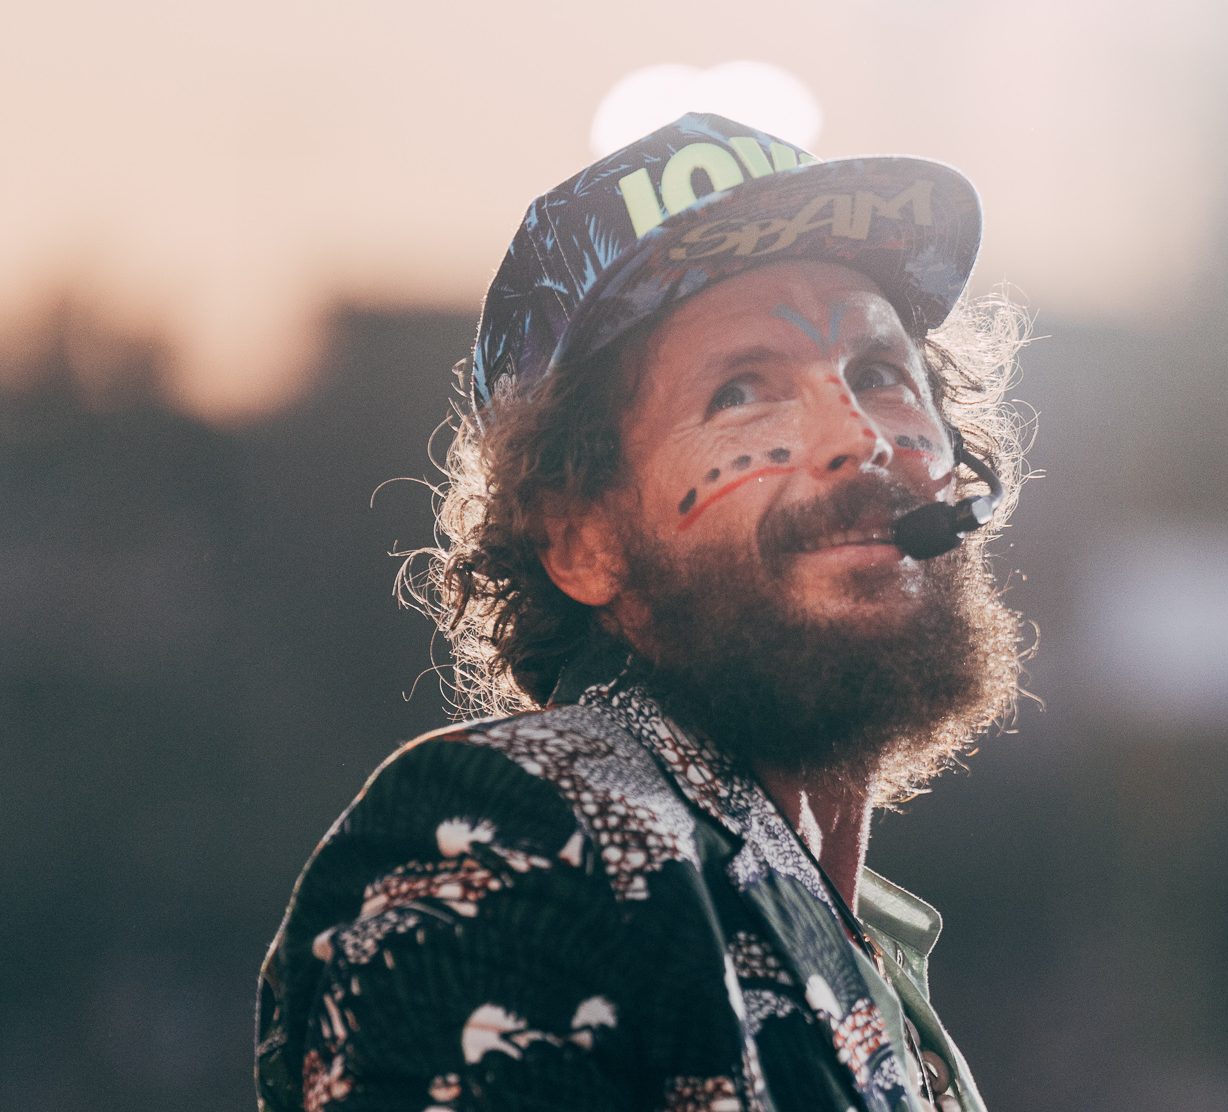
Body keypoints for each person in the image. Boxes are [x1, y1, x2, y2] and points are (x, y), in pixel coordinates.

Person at [255, 112, 1030, 1112]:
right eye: (742, 390)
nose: (859, 438)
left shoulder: (858, 943)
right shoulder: (515, 830)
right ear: (583, 538)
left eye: (880, 375)